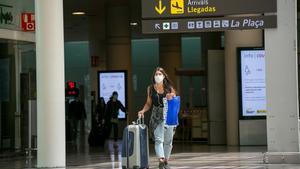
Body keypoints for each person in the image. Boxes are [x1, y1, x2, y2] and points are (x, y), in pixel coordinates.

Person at [138, 67, 177, 169]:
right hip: (156, 116)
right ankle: (161, 159)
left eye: (160, 74)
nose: (158, 76)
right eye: (156, 74)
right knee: (158, 139)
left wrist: (171, 97)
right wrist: (143, 110)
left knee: (168, 141)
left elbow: (175, 102)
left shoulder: (169, 88)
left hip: (168, 116)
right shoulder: (150, 88)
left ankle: (166, 161)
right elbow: (148, 103)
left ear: (164, 76)